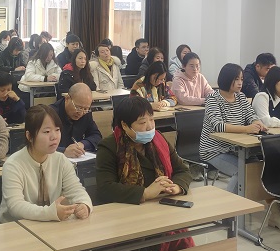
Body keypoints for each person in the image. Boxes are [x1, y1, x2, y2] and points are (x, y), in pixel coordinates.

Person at [0, 104, 92, 251]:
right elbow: (16, 206)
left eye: (57, 130)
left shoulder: (60, 160)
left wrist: (84, 206)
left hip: (52, 234)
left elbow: (78, 190)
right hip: (17, 237)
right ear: (29, 135)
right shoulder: (14, 164)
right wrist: (51, 213)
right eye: (46, 131)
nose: (54, 137)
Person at [96, 96, 191, 205]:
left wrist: (177, 186)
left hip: (161, 202)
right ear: (125, 125)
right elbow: (105, 188)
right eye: (142, 123)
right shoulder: (109, 146)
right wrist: (145, 193)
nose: (150, 127)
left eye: (151, 120)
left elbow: (183, 170)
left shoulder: (159, 139)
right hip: (127, 206)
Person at [199, 64, 266, 195]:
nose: (240, 83)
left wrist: (257, 122)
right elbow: (218, 126)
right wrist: (247, 129)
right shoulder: (213, 99)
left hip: (237, 149)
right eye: (236, 79)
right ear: (226, 78)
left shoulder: (241, 97)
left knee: (258, 169)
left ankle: (249, 203)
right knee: (241, 171)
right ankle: (230, 207)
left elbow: (251, 115)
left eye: (242, 79)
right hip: (214, 150)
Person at [51, 83, 101, 158]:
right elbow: (38, 145)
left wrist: (82, 144)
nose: (81, 113)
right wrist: (63, 151)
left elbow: (96, 136)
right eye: (78, 107)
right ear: (67, 99)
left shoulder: (86, 113)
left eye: (86, 108)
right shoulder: (50, 114)